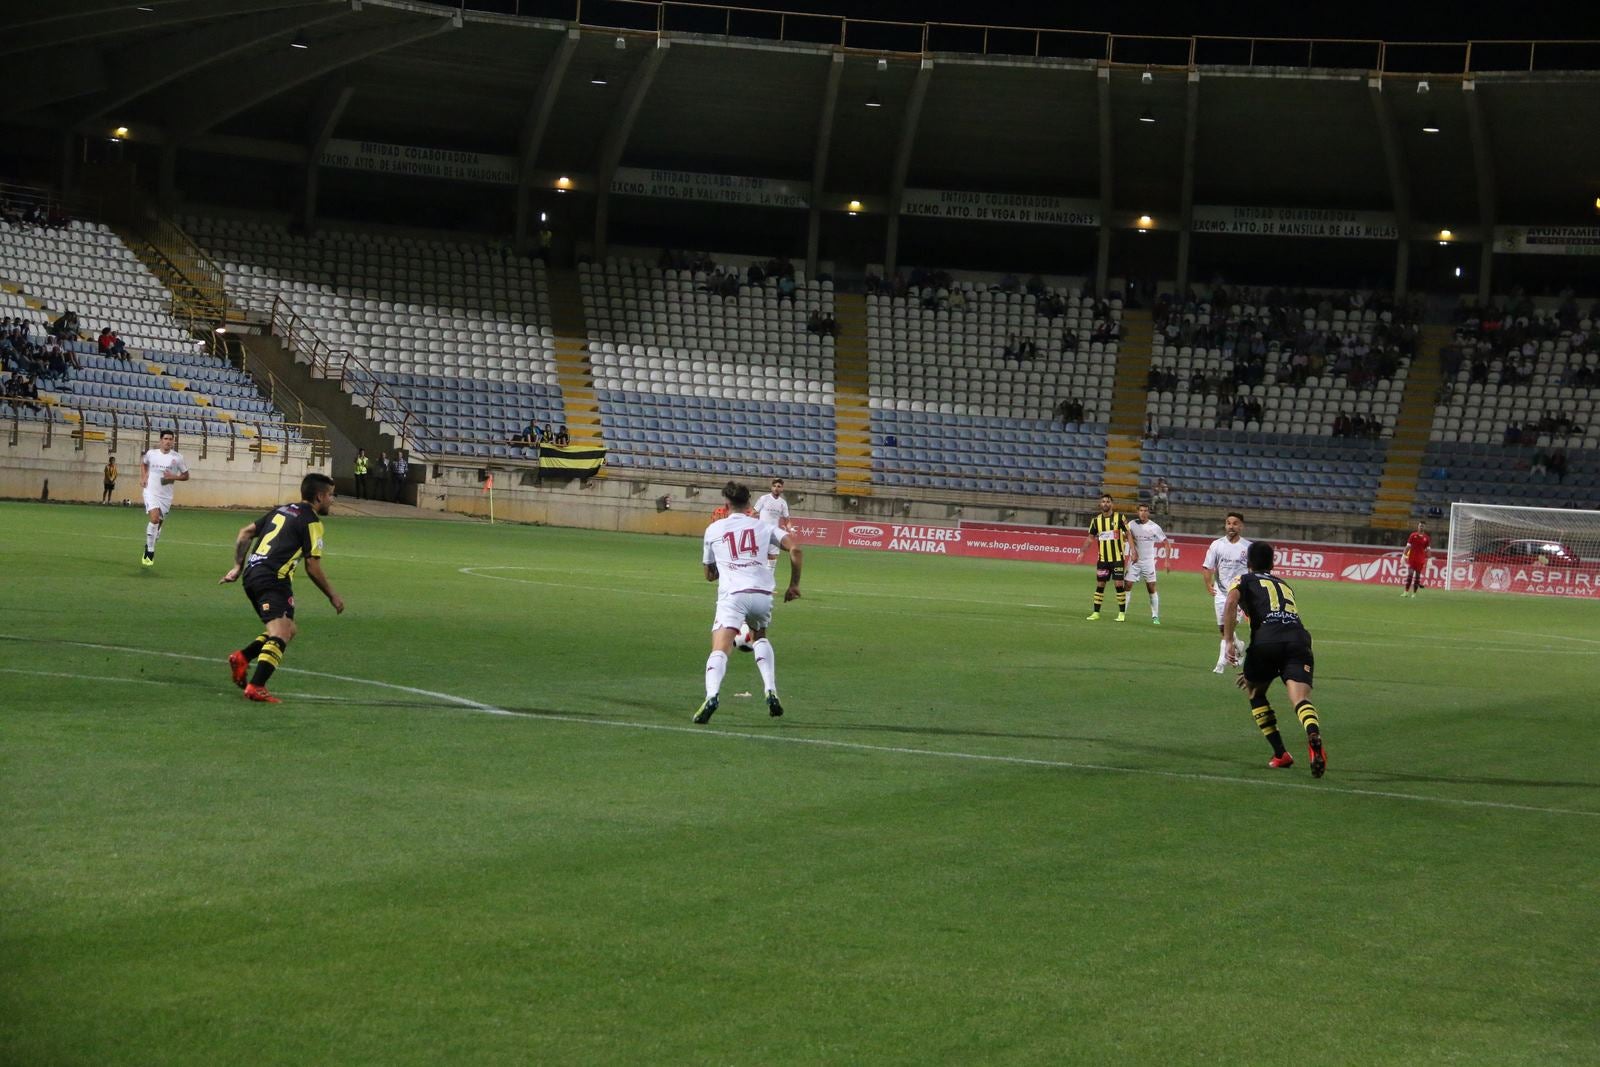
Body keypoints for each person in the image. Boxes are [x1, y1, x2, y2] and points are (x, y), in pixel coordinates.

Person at [219, 472, 345, 704]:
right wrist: (333, 595)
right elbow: (312, 566)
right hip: (273, 579)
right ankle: (256, 686)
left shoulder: (283, 510)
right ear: (319, 496)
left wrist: (238, 565)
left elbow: (245, 532)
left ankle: (243, 657)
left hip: (253, 574)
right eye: (330, 495)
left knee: (288, 629)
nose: (332, 500)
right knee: (282, 632)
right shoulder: (312, 522)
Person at [694, 481, 803, 725]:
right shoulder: (763, 526)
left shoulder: (714, 529)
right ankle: (770, 689)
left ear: (726, 504)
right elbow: (796, 550)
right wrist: (794, 585)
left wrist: (727, 565)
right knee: (760, 637)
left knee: (720, 648)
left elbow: (709, 575)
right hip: (763, 594)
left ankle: (712, 695)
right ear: (749, 503)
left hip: (733, 595)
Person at [1223, 541, 1327, 777]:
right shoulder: (1284, 584)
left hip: (1266, 642)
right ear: (1273, 563)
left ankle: (1281, 753)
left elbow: (1230, 602)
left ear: (1248, 563)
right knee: (1300, 699)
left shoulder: (1244, 579)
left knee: (1255, 693)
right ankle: (1312, 731)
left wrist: (1228, 640)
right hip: (1299, 640)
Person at [1202, 511, 1252, 673]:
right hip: (1221, 592)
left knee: (1228, 628)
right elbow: (1208, 566)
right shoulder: (1217, 545)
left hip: (1239, 594)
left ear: (1241, 526)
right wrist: (1208, 583)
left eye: (1235, 523)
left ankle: (1220, 664)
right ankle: (1238, 646)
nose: (1231, 526)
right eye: (1229, 523)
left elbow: (1253, 571)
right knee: (1224, 629)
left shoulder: (1248, 547)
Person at [139, 430, 189, 567]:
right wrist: (143, 477)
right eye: (166, 438)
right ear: (161, 440)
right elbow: (143, 463)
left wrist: (173, 477)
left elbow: (186, 475)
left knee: (158, 524)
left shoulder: (177, 458)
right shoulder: (152, 454)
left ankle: (151, 541)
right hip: (150, 491)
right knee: (154, 519)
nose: (168, 441)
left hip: (166, 495)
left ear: (173, 441)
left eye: (170, 439)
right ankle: (150, 551)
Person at [1082, 493, 1131, 622]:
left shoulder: (1120, 518)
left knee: (1119, 585)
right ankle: (1096, 612)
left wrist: (1133, 551)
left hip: (1117, 559)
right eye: (1103, 501)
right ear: (1100, 504)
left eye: (1108, 501)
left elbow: (1128, 534)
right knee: (1100, 585)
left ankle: (1121, 613)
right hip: (1103, 560)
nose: (1105, 504)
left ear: (1112, 504)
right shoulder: (1096, 521)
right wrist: (1082, 551)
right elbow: (1090, 538)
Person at [1124, 503, 1167, 623]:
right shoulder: (1131, 524)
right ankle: (1122, 613)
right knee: (1127, 585)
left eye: (1146, 510)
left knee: (1151, 588)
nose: (1143, 513)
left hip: (1148, 562)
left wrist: (1167, 561)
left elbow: (1166, 543)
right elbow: (1124, 536)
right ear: (1137, 512)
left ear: (1149, 512)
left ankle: (1155, 616)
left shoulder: (1154, 527)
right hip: (1134, 561)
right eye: (1141, 510)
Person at [752, 476, 792, 574]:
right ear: (771, 487)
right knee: (759, 557)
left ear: (782, 489)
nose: (776, 488)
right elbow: (753, 512)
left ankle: (769, 585)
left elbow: (787, 520)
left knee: (772, 558)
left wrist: (791, 530)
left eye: (779, 486)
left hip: (774, 534)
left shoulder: (783, 503)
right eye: (774, 486)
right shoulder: (764, 498)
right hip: (761, 532)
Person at [1402, 519, 1430, 598]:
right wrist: (1403, 556)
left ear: (1425, 527)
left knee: (1417, 577)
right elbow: (1408, 546)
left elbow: (1428, 549)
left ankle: (1414, 593)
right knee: (1410, 575)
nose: (1421, 527)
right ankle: (1406, 592)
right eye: (1420, 525)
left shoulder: (1426, 538)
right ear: (1418, 526)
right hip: (1412, 558)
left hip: (1420, 559)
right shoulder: (1413, 535)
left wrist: (1430, 559)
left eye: (1423, 526)